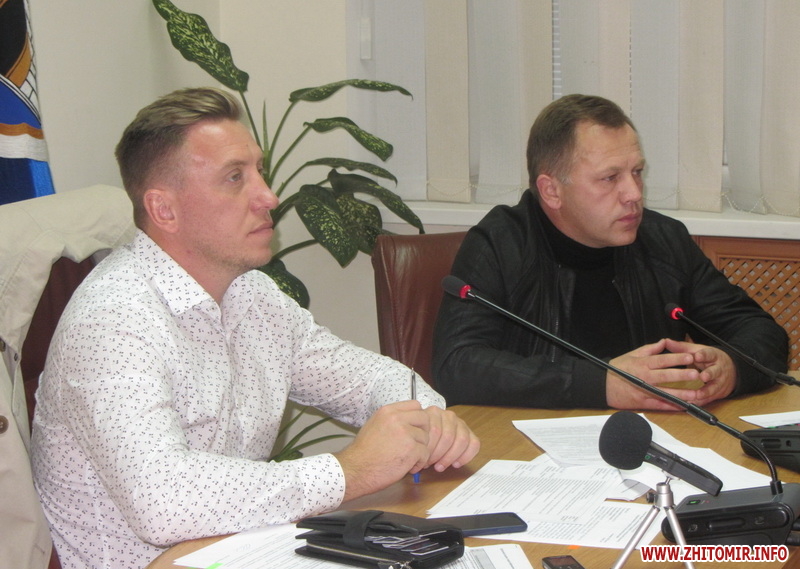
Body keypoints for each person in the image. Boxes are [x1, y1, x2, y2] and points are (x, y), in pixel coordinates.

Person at [30, 87, 480, 569]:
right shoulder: (112, 321)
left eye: (259, 170)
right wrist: (350, 470)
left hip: (242, 550)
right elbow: (162, 502)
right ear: (164, 210)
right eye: (234, 177)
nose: (269, 197)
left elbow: (369, 378)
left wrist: (427, 418)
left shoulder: (252, 294)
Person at [432, 94, 788, 411]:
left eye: (637, 172)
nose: (634, 193)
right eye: (610, 177)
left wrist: (731, 369)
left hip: (649, 439)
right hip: (526, 447)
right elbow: (457, 365)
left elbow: (761, 332)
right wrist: (601, 383)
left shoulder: (663, 240)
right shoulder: (500, 244)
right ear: (552, 191)